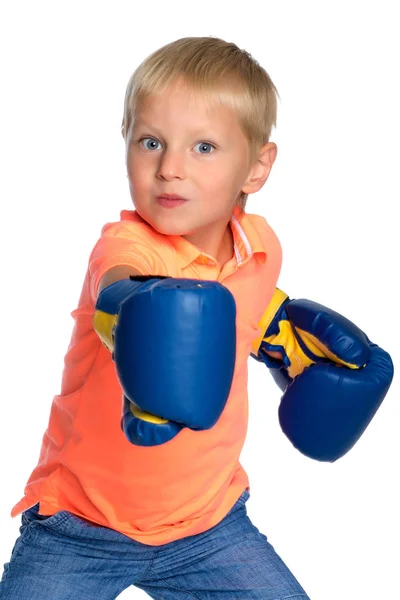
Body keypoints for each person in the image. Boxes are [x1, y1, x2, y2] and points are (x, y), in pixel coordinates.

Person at [0, 36, 393, 599]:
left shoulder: (260, 247)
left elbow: (243, 309)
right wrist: (137, 316)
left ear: (256, 168)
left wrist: (283, 337)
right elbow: (120, 287)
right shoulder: (125, 247)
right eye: (150, 141)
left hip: (208, 526)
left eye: (204, 147)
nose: (169, 169)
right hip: (79, 528)